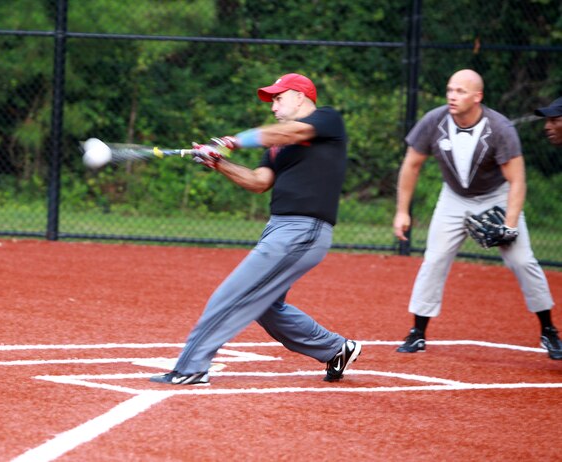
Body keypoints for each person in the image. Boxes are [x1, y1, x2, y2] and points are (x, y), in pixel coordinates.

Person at [150, 73, 361, 385]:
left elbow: (292, 131)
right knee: (266, 306)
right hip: (278, 229)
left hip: (303, 230)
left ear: (301, 96)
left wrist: (232, 141)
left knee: (233, 293)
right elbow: (259, 182)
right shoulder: (278, 146)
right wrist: (218, 163)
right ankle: (334, 349)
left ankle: (191, 367)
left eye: (278, 98)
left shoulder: (326, 119)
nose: (273, 106)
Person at [392, 69, 560, 360]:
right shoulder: (434, 121)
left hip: (496, 197)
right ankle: (417, 332)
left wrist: (509, 225)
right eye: (450, 90)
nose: (452, 96)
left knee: (522, 260)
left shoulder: (499, 127)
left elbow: (517, 180)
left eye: (460, 91)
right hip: (454, 198)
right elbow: (411, 165)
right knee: (434, 259)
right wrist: (401, 211)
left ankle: (549, 330)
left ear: (477, 97)